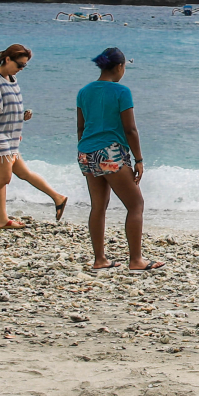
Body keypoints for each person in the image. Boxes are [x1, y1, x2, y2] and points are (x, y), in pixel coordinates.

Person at [0, 44, 67, 230]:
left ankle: (6, 218)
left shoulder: (11, 78)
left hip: (11, 136)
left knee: (20, 173)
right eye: (19, 65)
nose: (20, 70)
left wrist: (22, 116)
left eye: (24, 66)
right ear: (7, 59)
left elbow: (6, 108)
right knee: (3, 178)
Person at [76, 46, 147, 270]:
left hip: (86, 152)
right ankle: (136, 260)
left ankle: (100, 259)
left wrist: (86, 150)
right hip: (111, 153)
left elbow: (81, 127)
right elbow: (130, 129)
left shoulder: (84, 91)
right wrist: (138, 159)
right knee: (135, 205)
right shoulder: (121, 92)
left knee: (98, 206)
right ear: (119, 67)